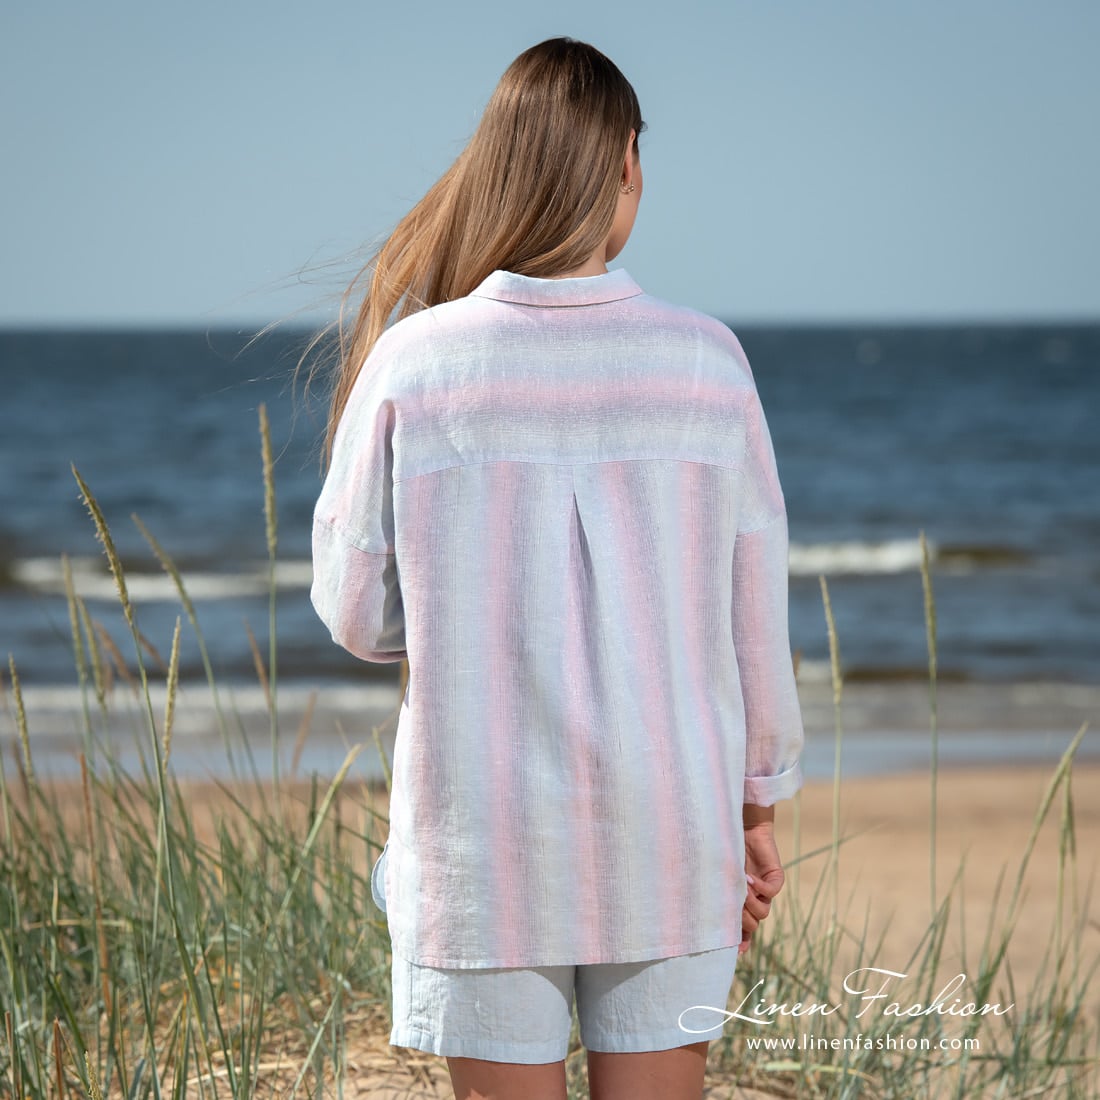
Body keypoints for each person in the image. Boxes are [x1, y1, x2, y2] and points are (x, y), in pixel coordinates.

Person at [310, 37, 803, 1100]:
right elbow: (753, 620)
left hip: (480, 841)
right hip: (672, 826)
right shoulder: (707, 361)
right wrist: (756, 805)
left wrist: (458, 611)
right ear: (625, 163)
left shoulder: (415, 360)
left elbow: (354, 609)